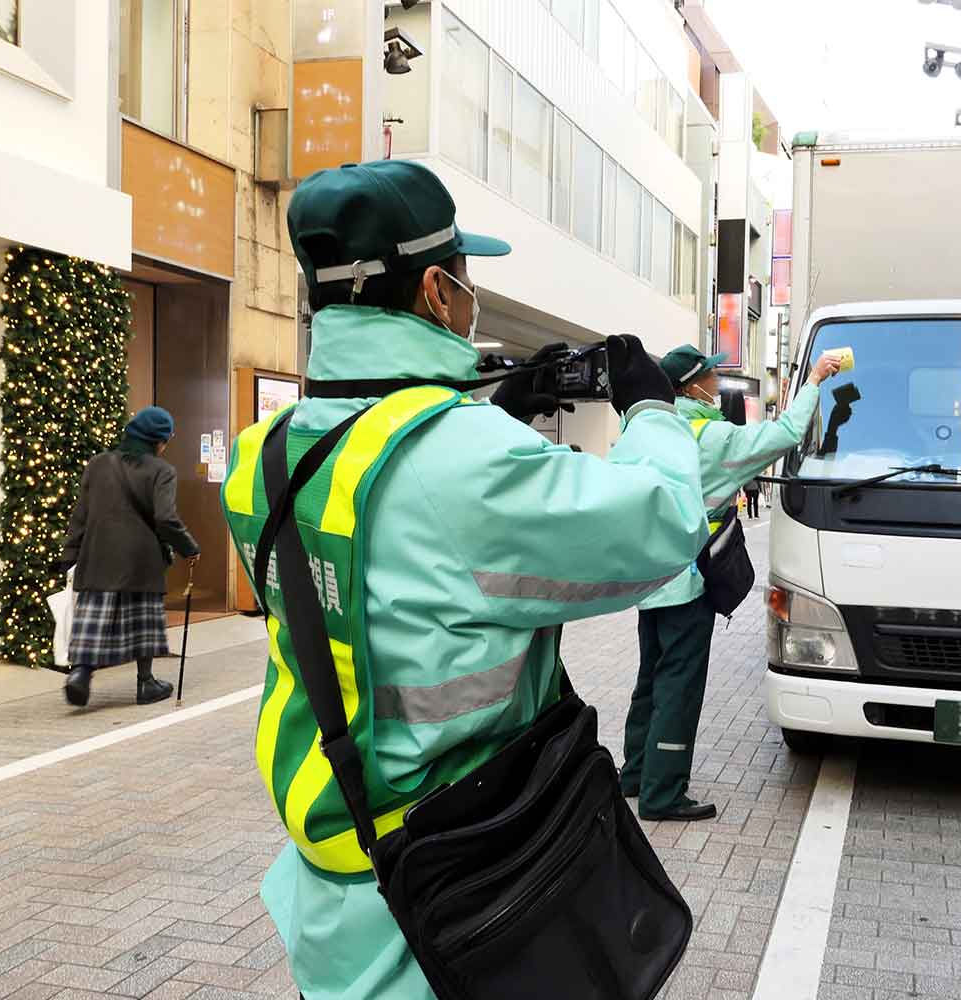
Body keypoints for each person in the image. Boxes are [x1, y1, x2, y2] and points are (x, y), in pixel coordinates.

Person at [220, 159, 705, 1000]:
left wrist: (482, 414)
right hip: (463, 890)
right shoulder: (466, 463)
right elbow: (663, 525)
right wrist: (653, 407)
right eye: (467, 280)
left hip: (337, 883)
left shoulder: (263, 453)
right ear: (440, 292)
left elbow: (397, 559)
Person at [621, 344, 842, 821]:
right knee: (679, 685)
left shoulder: (645, 431)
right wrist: (813, 383)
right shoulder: (711, 437)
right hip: (689, 581)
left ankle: (635, 775)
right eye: (712, 375)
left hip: (648, 581)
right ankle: (663, 794)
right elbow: (783, 433)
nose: (718, 382)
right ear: (690, 387)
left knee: (650, 680)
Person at [60, 406, 200, 706]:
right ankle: (145, 683)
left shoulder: (97, 465)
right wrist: (189, 547)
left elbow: (80, 515)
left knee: (93, 617)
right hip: (142, 558)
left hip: (97, 555)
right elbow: (165, 519)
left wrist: (70, 553)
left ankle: (80, 675)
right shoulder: (161, 471)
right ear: (157, 441)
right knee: (143, 620)